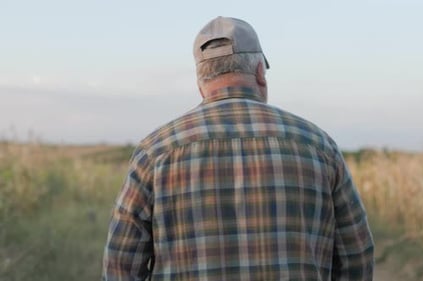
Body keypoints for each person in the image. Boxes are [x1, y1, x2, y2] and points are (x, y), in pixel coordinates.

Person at [102, 16, 374, 281]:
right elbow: (357, 255)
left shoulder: (154, 153)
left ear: (201, 83)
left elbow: (120, 266)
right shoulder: (320, 147)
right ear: (259, 72)